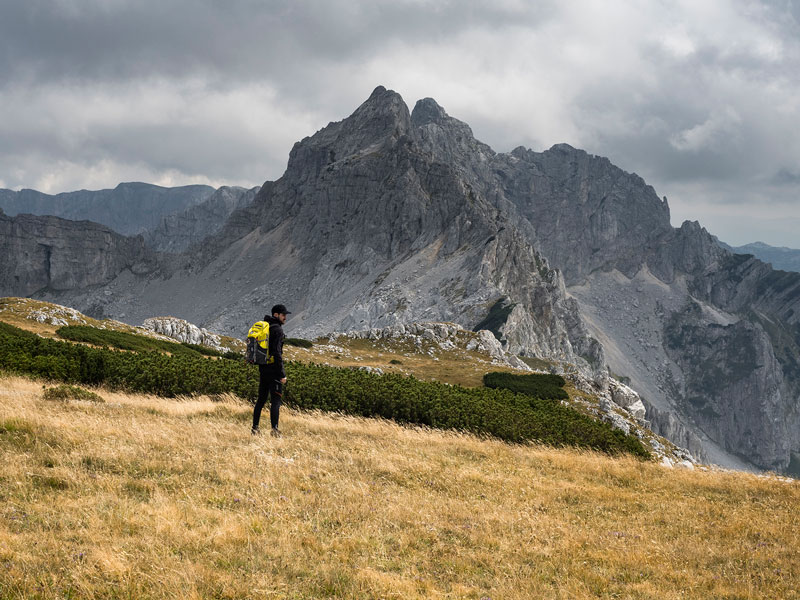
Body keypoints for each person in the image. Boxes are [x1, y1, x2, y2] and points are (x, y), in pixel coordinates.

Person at [252, 304, 290, 437]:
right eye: (283, 315)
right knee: (275, 401)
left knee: (261, 400)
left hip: (263, 368)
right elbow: (277, 353)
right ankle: (274, 430)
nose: (285, 317)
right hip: (274, 370)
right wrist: (282, 374)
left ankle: (255, 428)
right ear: (276, 315)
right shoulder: (278, 330)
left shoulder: (266, 327)